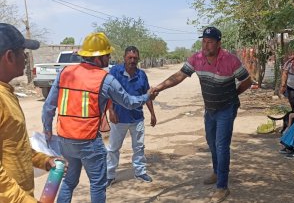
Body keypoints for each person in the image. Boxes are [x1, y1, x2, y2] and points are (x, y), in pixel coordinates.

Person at [42, 33, 156, 203]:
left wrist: (48, 130)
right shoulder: (105, 79)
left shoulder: (65, 73)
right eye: (107, 55)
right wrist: (147, 96)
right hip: (88, 142)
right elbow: (129, 102)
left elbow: (48, 107)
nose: (109, 58)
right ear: (98, 58)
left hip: (65, 140)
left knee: (69, 181)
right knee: (97, 184)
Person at [152, 27, 252, 203]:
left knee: (221, 145)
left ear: (219, 43)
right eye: (204, 41)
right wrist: (158, 87)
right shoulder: (197, 59)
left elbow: (247, 81)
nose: (206, 45)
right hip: (210, 108)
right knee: (211, 143)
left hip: (227, 109)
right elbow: (179, 76)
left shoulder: (231, 60)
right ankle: (216, 171)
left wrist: (233, 95)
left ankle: (222, 186)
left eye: (210, 42)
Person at [0, 23, 65, 202]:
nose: (26, 58)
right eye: (23, 52)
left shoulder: (6, 93)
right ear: (10, 56)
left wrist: (44, 160)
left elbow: (16, 146)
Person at [106, 46, 156, 187]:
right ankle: (110, 175)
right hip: (119, 117)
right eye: (130, 57)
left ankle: (140, 172)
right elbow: (107, 92)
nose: (132, 60)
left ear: (138, 59)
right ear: (124, 58)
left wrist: (152, 113)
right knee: (113, 148)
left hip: (137, 118)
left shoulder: (142, 75)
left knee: (139, 147)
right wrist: (111, 111)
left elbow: (147, 95)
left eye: (135, 58)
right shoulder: (115, 71)